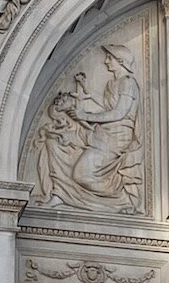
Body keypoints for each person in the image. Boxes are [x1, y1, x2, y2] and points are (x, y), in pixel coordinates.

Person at [35, 44, 142, 211]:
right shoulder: (113, 83)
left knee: (81, 174)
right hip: (101, 132)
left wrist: (86, 117)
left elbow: (118, 113)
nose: (106, 61)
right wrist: (84, 93)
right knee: (54, 142)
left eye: (110, 58)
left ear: (120, 61)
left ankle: (121, 195)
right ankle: (59, 193)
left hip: (115, 137)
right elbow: (106, 108)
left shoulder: (128, 83)